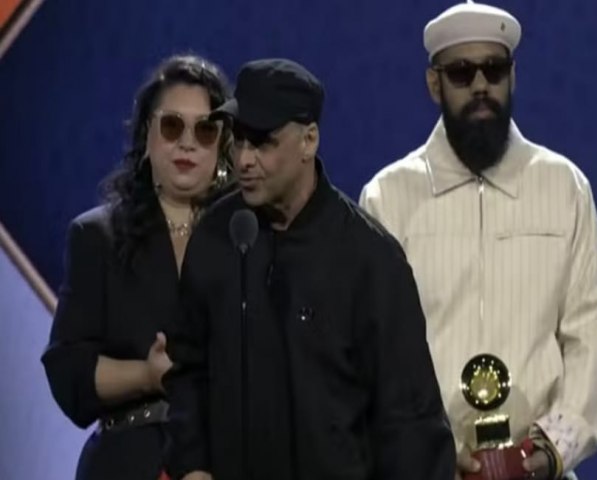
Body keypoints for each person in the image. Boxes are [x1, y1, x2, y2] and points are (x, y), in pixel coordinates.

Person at [164, 58, 456, 480]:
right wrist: (191, 465)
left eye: (262, 142)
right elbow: (187, 370)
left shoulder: (370, 260)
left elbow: (411, 424)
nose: (243, 159)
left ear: (309, 140)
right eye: (239, 139)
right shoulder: (216, 237)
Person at [359, 2, 597, 479]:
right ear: (434, 84)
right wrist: (429, 451)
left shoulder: (564, 188)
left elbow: (589, 336)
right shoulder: (387, 198)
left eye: (493, 70)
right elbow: (374, 354)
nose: (480, 85)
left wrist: (547, 451)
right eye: (461, 72)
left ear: (512, 77)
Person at [41, 54, 234, 480]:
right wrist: (147, 375)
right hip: (129, 462)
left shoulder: (249, 240)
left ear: (222, 146)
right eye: (172, 126)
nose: (187, 143)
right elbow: (69, 369)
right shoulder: (98, 237)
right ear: (147, 135)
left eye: (205, 130)